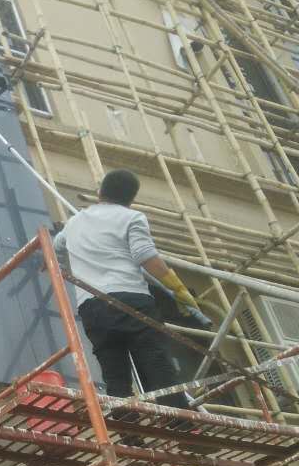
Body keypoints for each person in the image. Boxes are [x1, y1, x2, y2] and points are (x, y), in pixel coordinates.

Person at [53, 169, 201, 409]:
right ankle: (179, 422)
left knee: (114, 372)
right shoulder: (132, 217)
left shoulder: (75, 222)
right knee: (155, 362)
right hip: (131, 299)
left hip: (92, 306)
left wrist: (58, 267)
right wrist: (178, 289)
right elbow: (145, 255)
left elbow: (57, 246)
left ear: (100, 192)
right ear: (131, 199)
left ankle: (125, 421)